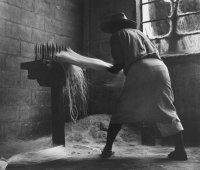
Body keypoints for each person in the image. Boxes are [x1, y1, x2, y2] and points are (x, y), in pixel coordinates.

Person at [100, 12, 188, 161]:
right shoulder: (140, 33)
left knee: (121, 110)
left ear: (114, 26)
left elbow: (119, 64)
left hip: (140, 69)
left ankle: (107, 150)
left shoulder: (117, 35)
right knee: (166, 108)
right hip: (160, 68)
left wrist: (104, 67)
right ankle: (180, 150)